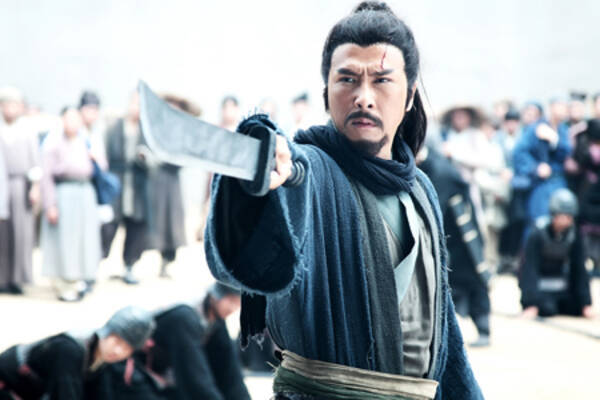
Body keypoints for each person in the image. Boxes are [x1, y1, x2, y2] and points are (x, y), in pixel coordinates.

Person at [205, 2, 482, 399]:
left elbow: (443, 330)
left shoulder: (421, 190)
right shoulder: (311, 173)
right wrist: (266, 165)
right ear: (326, 93)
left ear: (409, 96)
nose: (363, 97)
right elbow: (239, 263)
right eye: (347, 79)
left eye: (382, 80)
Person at [418, 147, 491, 347]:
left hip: (462, 236)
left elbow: (434, 208)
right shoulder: (429, 166)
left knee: (474, 281)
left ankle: (483, 329)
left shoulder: (440, 170)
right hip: (448, 235)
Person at [0, 306, 155, 400]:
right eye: (117, 341)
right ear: (107, 332)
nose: (118, 351)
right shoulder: (70, 349)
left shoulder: (103, 357)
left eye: (127, 348)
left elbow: (101, 394)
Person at [40, 107, 105, 301]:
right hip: (64, 193)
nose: (73, 123)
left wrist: (95, 159)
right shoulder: (53, 143)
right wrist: (50, 204)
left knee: (85, 238)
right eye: (69, 119)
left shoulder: (87, 141)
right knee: (65, 239)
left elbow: (102, 167)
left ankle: (82, 279)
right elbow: (46, 177)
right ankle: (65, 283)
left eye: (76, 119)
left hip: (85, 193)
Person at [520, 189, 593, 318]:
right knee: (548, 309)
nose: (566, 220)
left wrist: (585, 303)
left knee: (575, 308)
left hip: (561, 287)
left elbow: (579, 269)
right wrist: (530, 303)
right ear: (554, 214)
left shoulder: (574, 235)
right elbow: (529, 268)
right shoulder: (538, 233)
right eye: (563, 215)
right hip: (541, 288)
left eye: (569, 216)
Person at [104, 92, 151, 284]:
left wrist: (145, 158)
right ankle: (97, 265)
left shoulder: (146, 130)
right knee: (108, 226)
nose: (136, 108)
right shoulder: (114, 128)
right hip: (117, 182)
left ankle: (129, 266)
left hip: (137, 184)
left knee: (135, 228)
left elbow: (154, 159)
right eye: (135, 103)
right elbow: (106, 155)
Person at [0, 87, 41, 295]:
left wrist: (35, 187)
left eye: (14, 105)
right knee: (2, 234)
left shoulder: (27, 130)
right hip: (2, 184)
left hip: (20, 184)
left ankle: (18, 278)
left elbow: (35, 162)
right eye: (6, 105)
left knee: (21, 233)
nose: (10, 109)